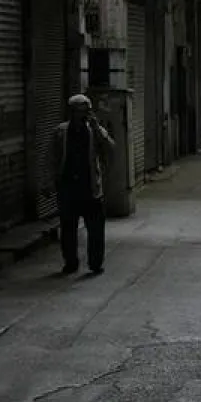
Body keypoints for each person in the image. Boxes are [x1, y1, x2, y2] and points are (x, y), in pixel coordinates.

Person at [53, 93, 115, 275]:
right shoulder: (61, 132)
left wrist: (97, 129)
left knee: (95, 229)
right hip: (68, 187)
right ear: (71, 113)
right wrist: (50, 183)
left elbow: (110, 148)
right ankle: (70, 261)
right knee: (68, 228)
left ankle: (95, 262)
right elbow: (52, 159)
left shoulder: (95, 131)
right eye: (78, 112)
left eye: (85, 111)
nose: (81, 115)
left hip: (91, 187)